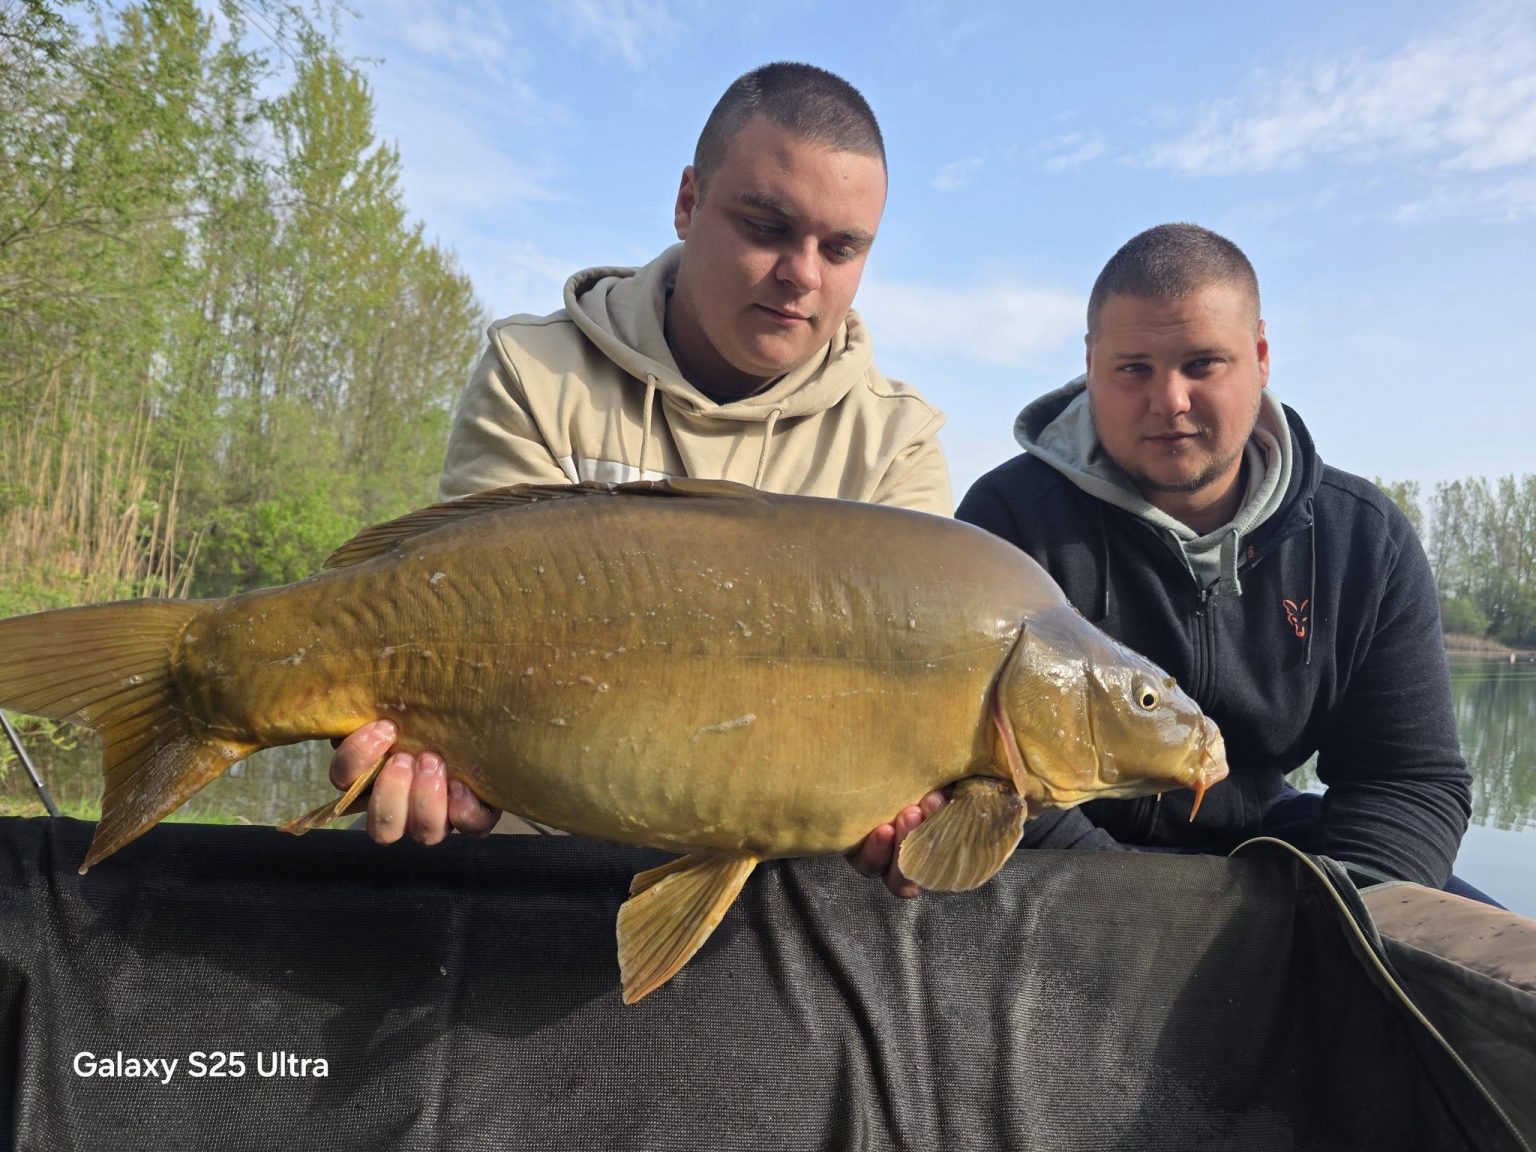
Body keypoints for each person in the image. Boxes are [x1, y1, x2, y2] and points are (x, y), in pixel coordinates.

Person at [329, 62, 950, 875]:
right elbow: (454, 638)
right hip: (532, 860)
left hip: (770, 892)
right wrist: (426, 761)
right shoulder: (535, 374)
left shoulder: (896, 448)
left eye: (841, 248)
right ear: (688, 202)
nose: (803, 273)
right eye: (766, 226)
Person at [945, 222, 1475, 893]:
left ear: (1260, 356)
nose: (1169, 401)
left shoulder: (1364, 538)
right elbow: (980, 774)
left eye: (1202, 364)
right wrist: (1149, 915)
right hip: (1070, 867)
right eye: (1134, 368)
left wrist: (1336, 919)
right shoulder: (1007, 521)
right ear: (1091, 363)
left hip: (1277, 846)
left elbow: (1406, 779)